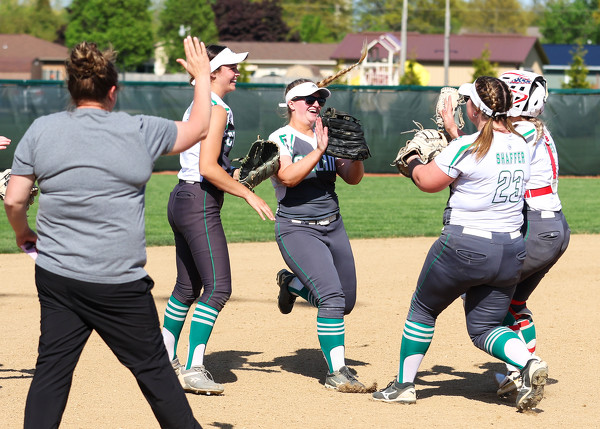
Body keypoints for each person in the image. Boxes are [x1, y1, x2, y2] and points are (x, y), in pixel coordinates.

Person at [4, 36, 211, 428]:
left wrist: (22, 232)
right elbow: (199, 127)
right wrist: (202, 76)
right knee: (154, 372)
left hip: (58, 276)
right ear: (113, 91)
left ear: (70, 89)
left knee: (51, 372)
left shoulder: (41, 129)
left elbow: (14, 200)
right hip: (118, 282)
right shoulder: (139, 128)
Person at [372, 76, 548, 411]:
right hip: (510, 250)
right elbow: (483, 152)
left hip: (464, 247)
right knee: (485, 327)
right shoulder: (523, 144)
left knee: (423, 310)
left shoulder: (466, 147)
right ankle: (528, 362)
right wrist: (454, 132)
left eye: (468, 101)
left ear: (475, 109)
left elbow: (427, 181)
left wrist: (413, 158)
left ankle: (404, 386)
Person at [161, 45, 274, 396]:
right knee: (218, 288)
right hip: (199, 201)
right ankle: (194, 368)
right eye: (230, 66)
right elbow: (208, 168)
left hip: (182, 197)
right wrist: (248, 194)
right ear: (212, 72)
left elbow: (211, 164)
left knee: (186, 288)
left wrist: (239, 173)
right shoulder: (217, 108)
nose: (236, 72)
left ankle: (162, 358)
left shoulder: (200, 104)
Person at [270, 78, 368, 391]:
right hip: (297, 228)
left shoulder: (326, 134)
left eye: (320, 100)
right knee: (331, 299)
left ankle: (291, 284)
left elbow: (352, 178)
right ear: (291, 104)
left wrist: (356, 154)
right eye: (308, 99)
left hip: (333, 225)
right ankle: (337, 372)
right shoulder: (280, 138)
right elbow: (287, 177)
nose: (316, 104)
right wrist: (320, 149)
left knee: (346, 302)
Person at [492, 70, 570, 396]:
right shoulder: (534, 127)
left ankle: (522, 368)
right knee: (514, 302)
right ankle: (524, 370)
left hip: (536, 228)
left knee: (484, 293)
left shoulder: (522, 130)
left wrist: (452, 137)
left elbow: (487, 158)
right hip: (553, 227)